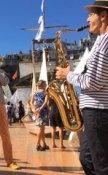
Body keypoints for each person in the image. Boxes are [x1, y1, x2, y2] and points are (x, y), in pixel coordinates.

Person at [55, 1, 108, 174]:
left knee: (100, 165)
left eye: (91, 14)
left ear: (103, 16)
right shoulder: (100, 41)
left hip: (98, 112)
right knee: (86, 159)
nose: (87, 18)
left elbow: (94, 81)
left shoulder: (106, 42)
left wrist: (67, 76)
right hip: (94, 111)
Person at [30, 80, 49, 151]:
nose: (46, 85)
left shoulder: (35, 93)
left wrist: (34, 109)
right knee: (41, 129)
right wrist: (40, 109)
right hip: (43, 111)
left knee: (42, 128)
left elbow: (31, 102)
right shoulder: (45, 92)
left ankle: (44, 144)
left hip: (37, 111)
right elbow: (46, 102)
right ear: (43, 85)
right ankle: (38, 144)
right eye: (45, 84)